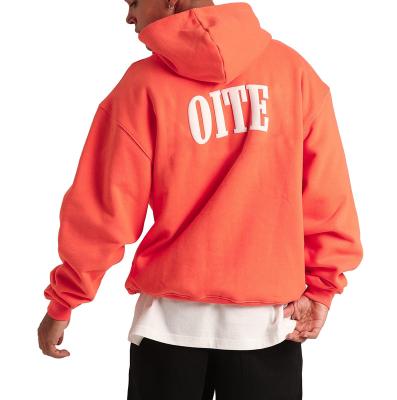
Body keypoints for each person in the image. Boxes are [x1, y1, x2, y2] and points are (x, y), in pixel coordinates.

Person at [37, 1, 363, 399]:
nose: (129, 16)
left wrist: (65, 300)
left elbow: (105, 208)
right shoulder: (291, 72)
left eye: (134, 1)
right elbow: (328, 196)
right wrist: (322, 287)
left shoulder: (142, 86)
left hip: (168, 326)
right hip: (267, 325)